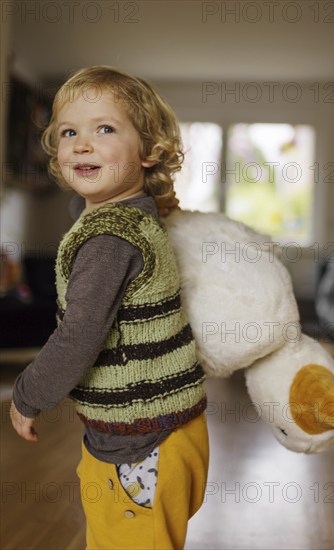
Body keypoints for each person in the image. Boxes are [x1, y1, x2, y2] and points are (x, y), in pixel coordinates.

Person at [10, 66, 209, 550]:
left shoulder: (108, 239)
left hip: (141, 446)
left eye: (104, 129)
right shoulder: (133, 215)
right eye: (68, 132)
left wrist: (27, 394)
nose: (82, 144)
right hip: (164, 431)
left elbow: (79, 337)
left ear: (148, 150)